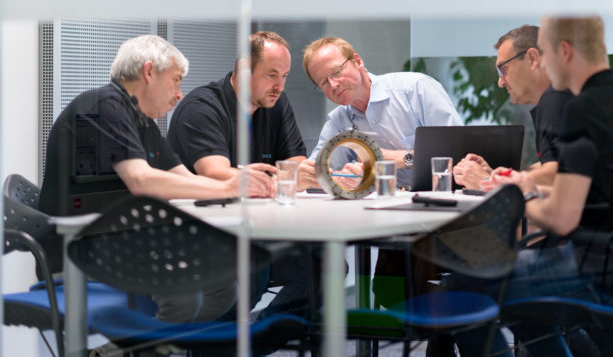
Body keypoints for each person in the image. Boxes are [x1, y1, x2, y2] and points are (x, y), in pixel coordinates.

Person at [454, 16, 613, 357]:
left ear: (563, 52)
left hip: (607, 271)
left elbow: (560, 218)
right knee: (522, 304)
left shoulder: (580, 108)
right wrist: (523, 180)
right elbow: (572, 170)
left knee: (464, 287)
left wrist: (515, 195)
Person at [39, 35, 272, 324]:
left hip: (119, 242)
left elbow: (183, 180)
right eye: (175, 80)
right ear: (149, 72)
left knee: (223, 287)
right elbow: (142, 181)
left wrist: (238, 184)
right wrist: (227, 186)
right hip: (78, 248)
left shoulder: (142, 122)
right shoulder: (104, 105)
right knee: (187, 294)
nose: (180, 94)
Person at [167, 30, 316, 318]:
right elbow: (219, 176)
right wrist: (280, 178)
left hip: (258, 230)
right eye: (272, 75)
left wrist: (286, 177)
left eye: (284, 76)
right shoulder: (202, 108)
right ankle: (218, 344)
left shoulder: (275, 103)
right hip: (203, 235)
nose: (280, 86)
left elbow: (298, 167)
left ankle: (255, 338)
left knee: (323, 265)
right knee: (252, 269)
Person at [300, 36, 463, 189]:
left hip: (439, 198)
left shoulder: (415, 90)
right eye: (323, 82)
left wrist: (403, 158)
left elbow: (457, 151)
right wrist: (342, 179)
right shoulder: (339, 121)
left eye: (336, 72)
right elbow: (317, 173)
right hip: (382, 204)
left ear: (358, 61)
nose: (333, 85)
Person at [453, 24, 572, 193]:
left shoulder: (557, 99)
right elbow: (549, 164)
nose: (500, 82)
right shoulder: (558, 97)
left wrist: (487, 182)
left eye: (503, 69)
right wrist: (499, 177)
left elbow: (559, 174)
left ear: (532, 58)